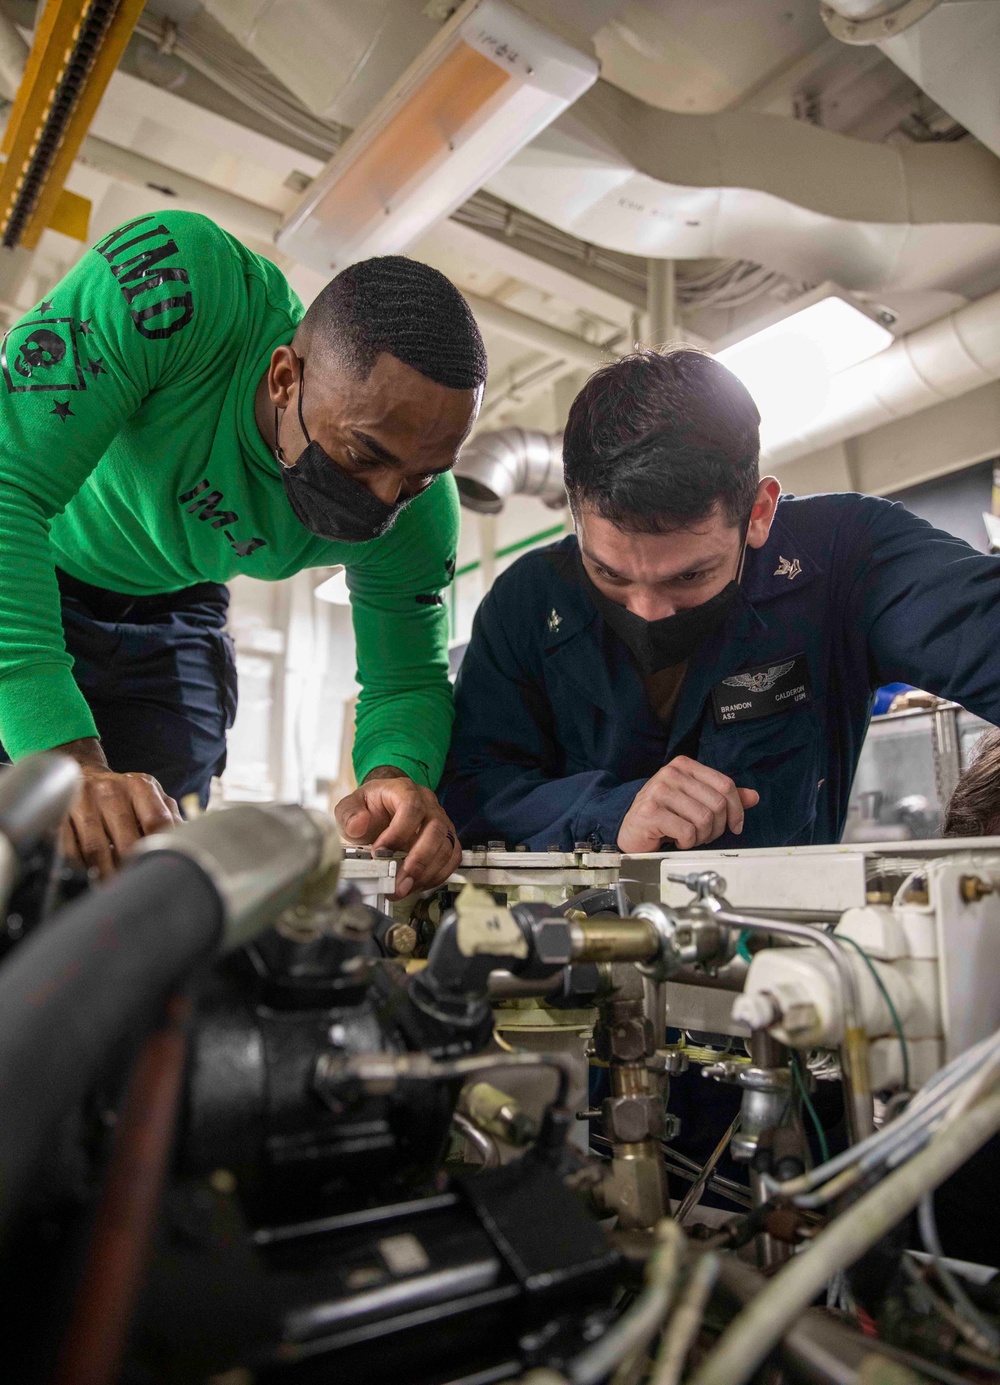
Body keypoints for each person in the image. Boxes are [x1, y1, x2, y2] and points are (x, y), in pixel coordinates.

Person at [0, 210, 487, 890]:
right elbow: (6, 487)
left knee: (148, 867)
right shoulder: (177, 289)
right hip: (28, 565)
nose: (383, 498)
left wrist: (396, 777)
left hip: (178, 600)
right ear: (285, 377)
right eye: (363, 455)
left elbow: (404, 680)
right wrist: (67, 757)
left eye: (418, 475)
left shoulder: (421, 509)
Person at [440, 348, 1000, 854]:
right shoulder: (527, 603)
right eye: (608, 573)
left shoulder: (845, 557)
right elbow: (471, 790)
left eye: (689, 577)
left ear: (758, 513)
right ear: (575, 513)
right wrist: (608, 813)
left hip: (784, 953)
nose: (646, 612)